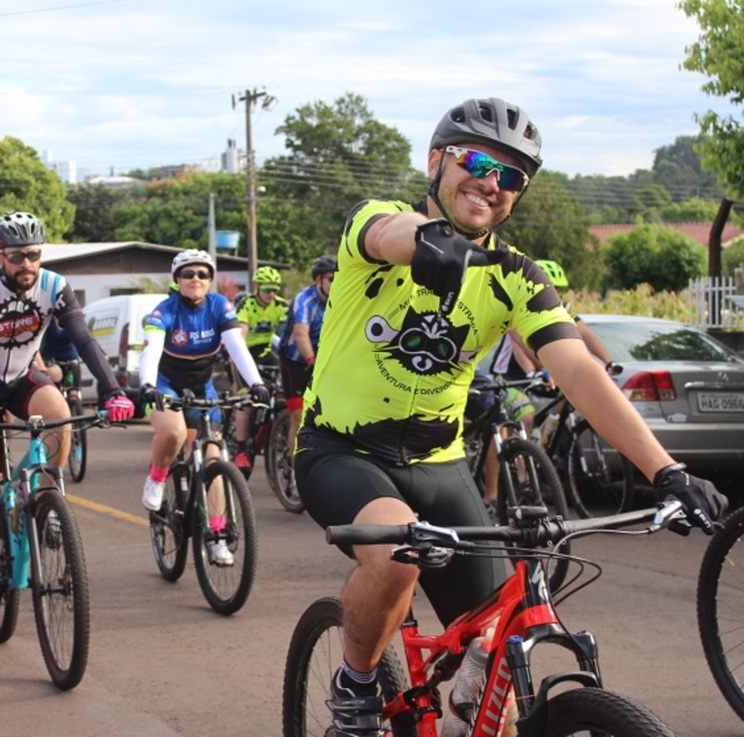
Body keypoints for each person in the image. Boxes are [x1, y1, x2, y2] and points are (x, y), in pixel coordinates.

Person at [292, 97, 727, 736]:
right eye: (475, 161)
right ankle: (356, 690)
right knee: (397, 557)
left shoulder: (515, 276)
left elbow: (577, 371)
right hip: (342, 452)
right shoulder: (378, 224)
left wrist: (666, 471)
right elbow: (390, 234)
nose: (492, 183)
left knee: (495, 637)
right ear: (437, 160)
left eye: (512, 177)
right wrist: (431, 245)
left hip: (441, 464)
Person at [0, 210, 134, 628]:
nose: (27, 265)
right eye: (18, 256)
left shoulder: (54, 286)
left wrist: (114, 390)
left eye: (34, 255)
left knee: (60, 417)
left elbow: (83, 339)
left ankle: (46, 502)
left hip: (23, 378)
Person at [137, 249, 270, 566]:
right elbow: (151, 350)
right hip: (165, 384)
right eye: (188, 274)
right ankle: (157, 477)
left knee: (214, 461)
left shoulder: (219, 306)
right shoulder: (165, 310)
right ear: (177, 280)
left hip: (203, 386)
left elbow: (237, 346)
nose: (195, 279)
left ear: (210, 280)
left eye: (202, 274)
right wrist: (148, 386)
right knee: (174, 433)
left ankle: (218, 536)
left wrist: (256, 384)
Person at [277, 254, 336, 501]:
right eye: (331, 279)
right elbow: (301, 334)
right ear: (318, 281)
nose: (337, 283)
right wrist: (312, 362)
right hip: (296, 361)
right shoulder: (304, 299)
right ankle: (295, 474)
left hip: (325, 359)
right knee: (299, 416)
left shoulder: (342, 297)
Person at [230, 265, 288, 474]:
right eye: (267, 289)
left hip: (264, 352)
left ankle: (278, 427)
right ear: (257, 287)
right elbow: (240, 334)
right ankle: (241, 447)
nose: (271, 294)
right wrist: (240, 355)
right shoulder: (247, 304)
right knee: (247, 401)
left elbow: (290, 330)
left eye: (275, 289)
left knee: (283, 387)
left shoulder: (281, 306)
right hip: (244, 354)